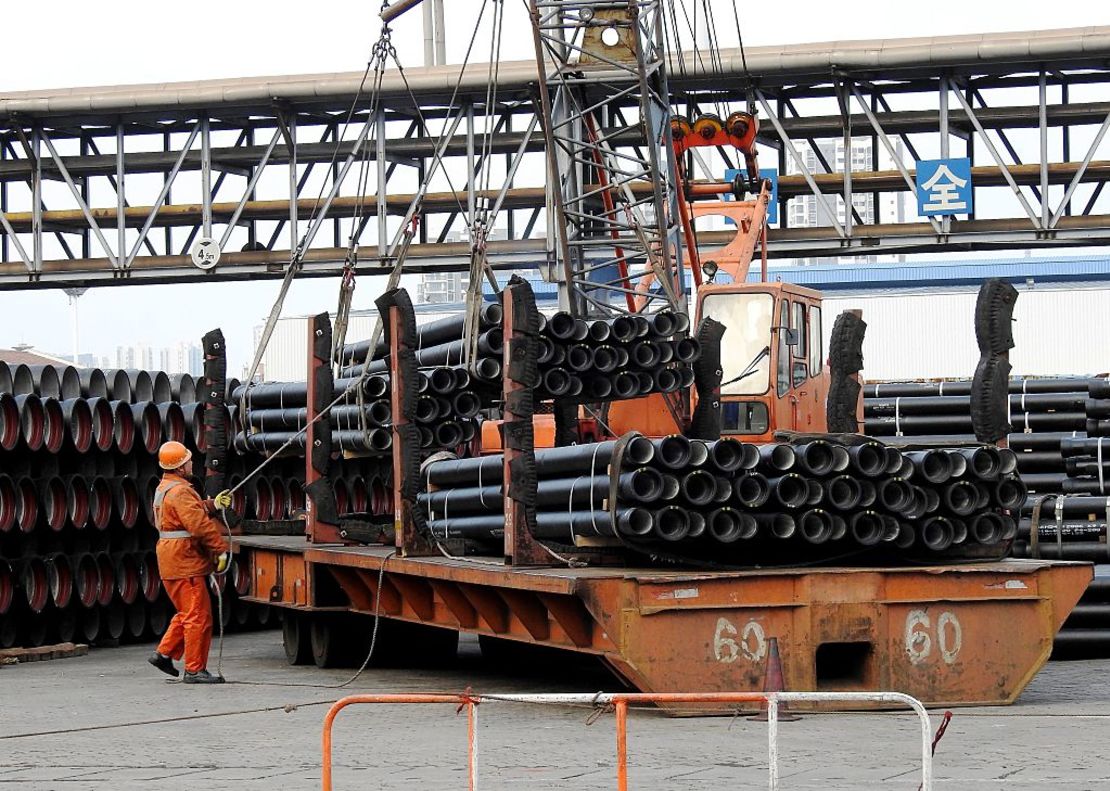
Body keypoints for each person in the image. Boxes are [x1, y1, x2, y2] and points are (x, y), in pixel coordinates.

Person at [147, 440, 233, 684]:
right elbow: (198, 525)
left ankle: (164, 654)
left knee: (187, 613)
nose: (191, 462)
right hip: (186, 563)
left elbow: (187, 514)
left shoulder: (166, 487)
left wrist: (212, 505)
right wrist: (220, 550)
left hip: (172, 560)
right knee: (198, 616)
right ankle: (195, 670)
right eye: (188, 461)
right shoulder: (181, 491)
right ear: (180, 467)